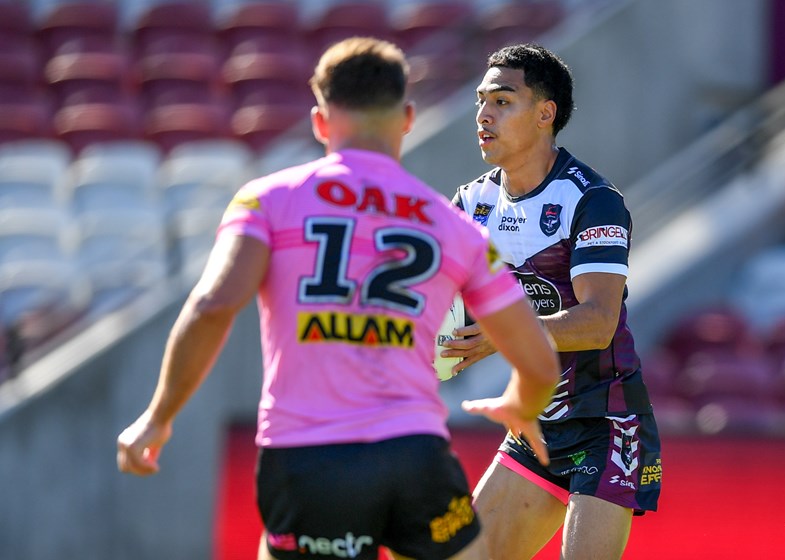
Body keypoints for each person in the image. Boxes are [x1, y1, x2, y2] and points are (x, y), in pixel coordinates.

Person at [116, 37, 560, 560]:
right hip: (415, 456)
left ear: (320, 122)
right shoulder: (453, 225)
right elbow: (538, 362)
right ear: (408, 118)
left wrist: (159, 414)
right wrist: (521, 404)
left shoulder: (267, 199)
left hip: (308, 459)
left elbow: (214, 306)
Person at [441, 43, 662, 559]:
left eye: (502, 101)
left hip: (605, 422)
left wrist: (499, 336)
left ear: (545, 114)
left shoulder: (592, 200)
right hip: (538, 420)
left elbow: (598, 322)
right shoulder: (471, 203)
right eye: (480, 101)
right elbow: (435, 299)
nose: (483, 115)